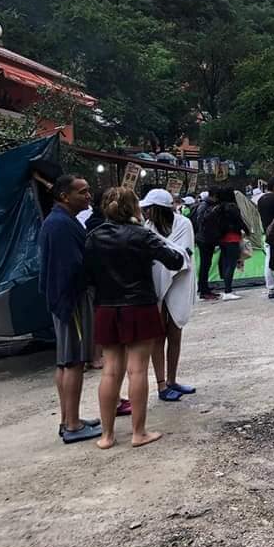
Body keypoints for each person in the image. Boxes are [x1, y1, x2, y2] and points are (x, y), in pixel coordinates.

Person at [85, 187, 185, 449]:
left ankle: (106, 436)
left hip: (106, 307)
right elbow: (174, 260)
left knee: (110, 370)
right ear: (134, 208)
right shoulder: (142, 235)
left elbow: (85, 274)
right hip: (139, 305)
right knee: (137, 369)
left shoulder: (93, 236)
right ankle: (138, 433)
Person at [38, 175, 101, 444]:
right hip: (71, 301)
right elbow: (72, 266)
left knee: (65, 360)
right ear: (65, 196)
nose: (88, 196)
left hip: (62, 299)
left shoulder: (59, 221)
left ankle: (68, 419)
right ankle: (73, 425)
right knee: (74, 361)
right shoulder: (61, 225)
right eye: (82, 192)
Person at [142, 189, 197, 403]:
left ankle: (173, 380)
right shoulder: (147, 228)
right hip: (156, 286)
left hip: (180, 284)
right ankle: (161, 384)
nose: (146, 212)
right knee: (158, 335)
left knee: (175, 332)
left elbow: (183, 255)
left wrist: (163, 251)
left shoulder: (184, 224)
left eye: (149, 208)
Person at [210, 187, 249, 301]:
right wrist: (246, 230)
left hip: (222, 239)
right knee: (231, 265)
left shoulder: (218, 208)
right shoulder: (232, 207)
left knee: (226, 263)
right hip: (233, 238)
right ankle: (228, 291)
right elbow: (239, 221)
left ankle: (227, 288)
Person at [194, 191, 218, 301]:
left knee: (206, 264)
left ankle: (204, 287)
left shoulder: (205, 205)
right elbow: (201, 222)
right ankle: (203, 290)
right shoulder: (205, 206)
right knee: (205, 264)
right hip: (204, 239)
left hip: (204, 239)